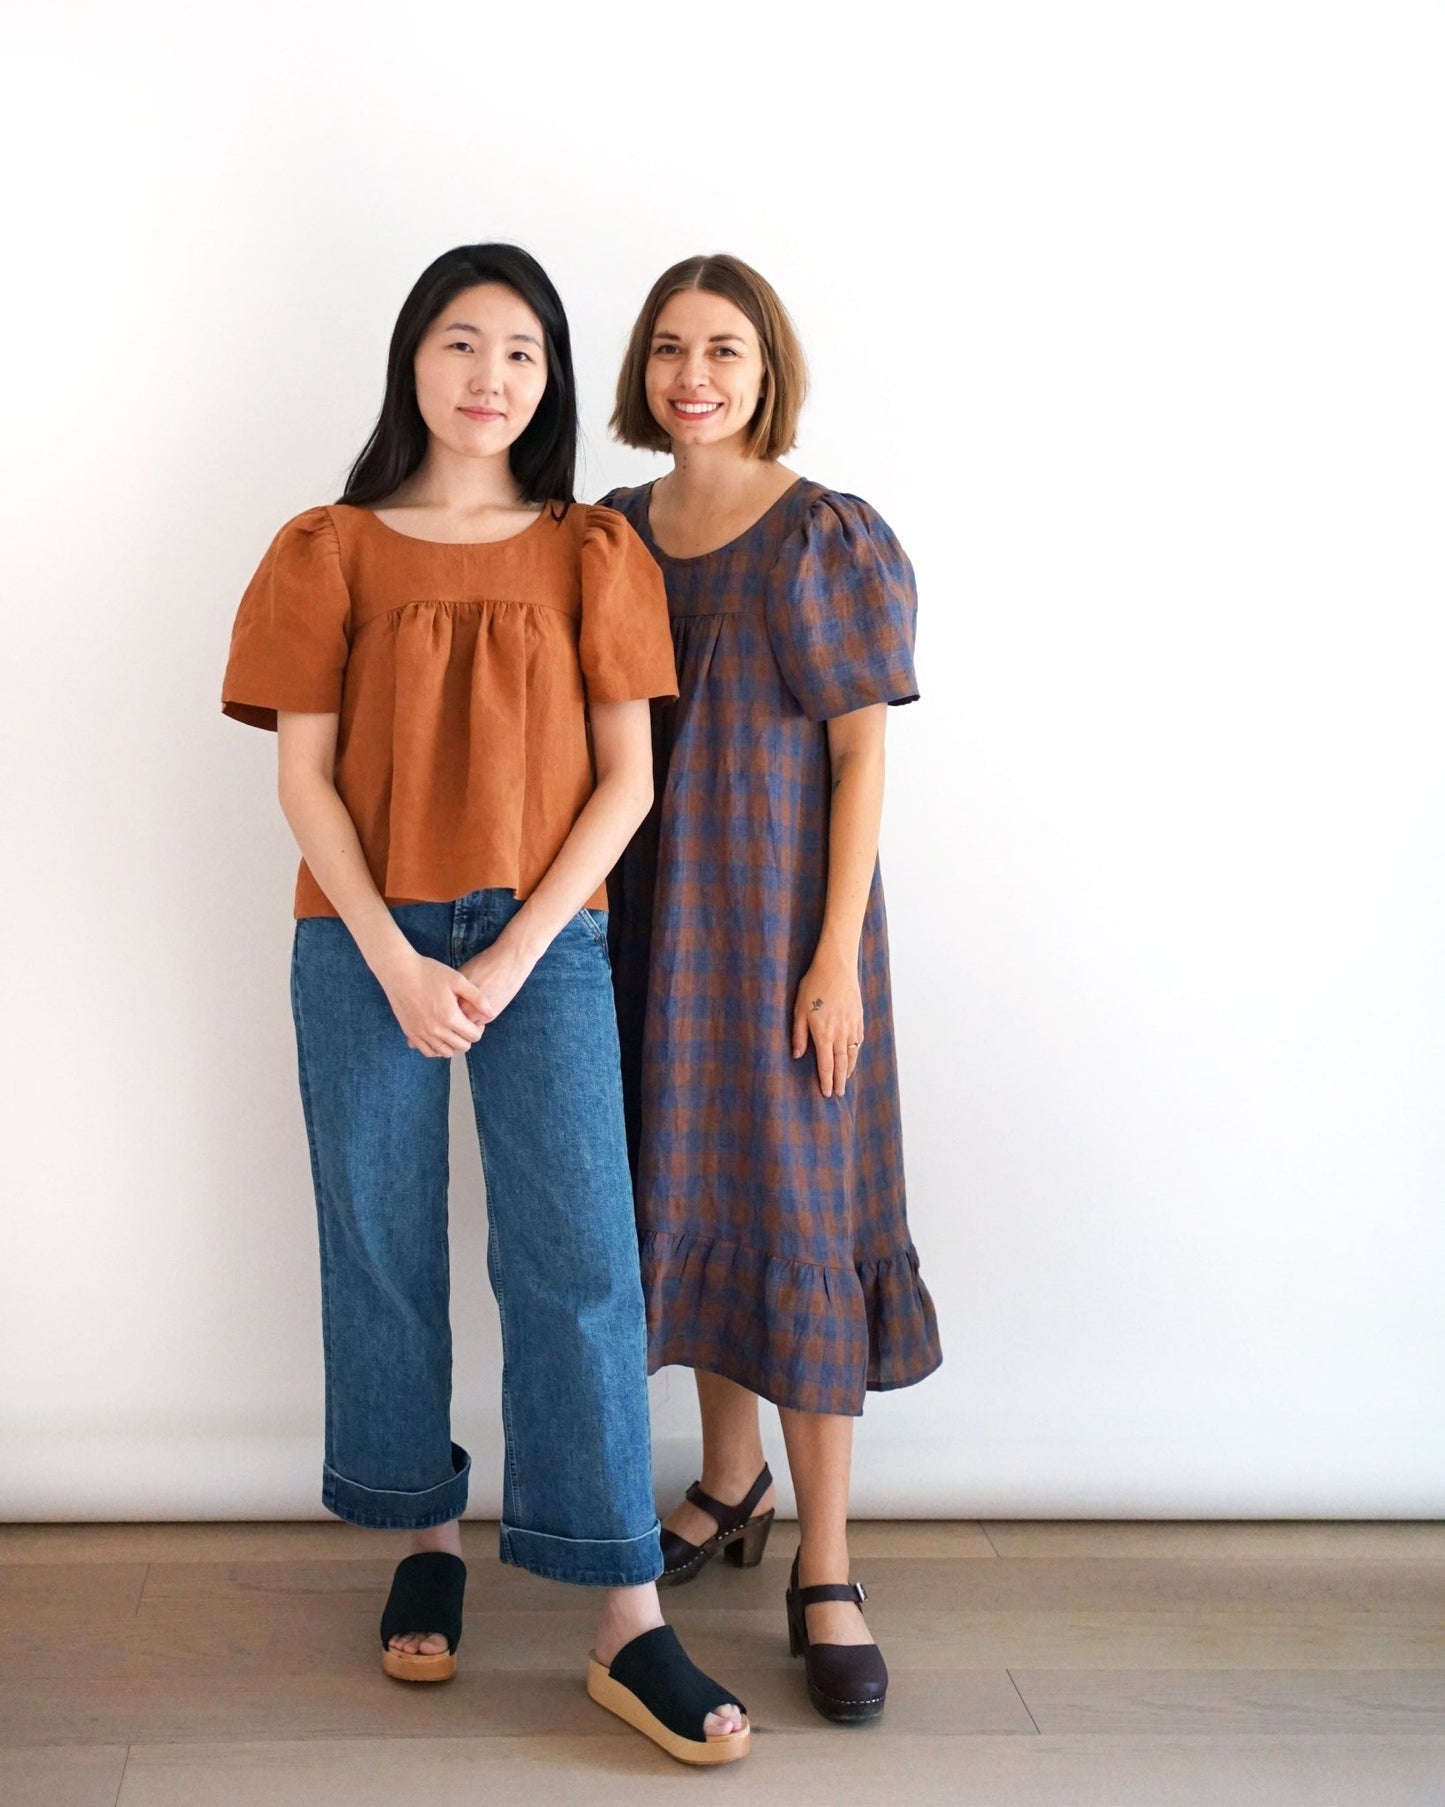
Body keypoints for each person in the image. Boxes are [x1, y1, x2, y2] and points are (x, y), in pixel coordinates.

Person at [221, 243, 749, 1765]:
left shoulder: (594, 550)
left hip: (546, 945)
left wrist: (513, 954)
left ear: (550, 381)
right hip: (361, 942)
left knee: (579, 1261)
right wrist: (396, 958)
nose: (489, 376)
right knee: (382, 1248)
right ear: (413, 360)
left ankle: (625, 1617)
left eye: (521, 352)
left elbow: (627, 779)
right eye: (461, 342)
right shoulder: (325, 547)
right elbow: (302, 779)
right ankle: (423, 1536)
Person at [602, 253, 942, 1724]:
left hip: (785, 930)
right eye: (670, 348)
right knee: (690, 1192)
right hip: (646, 924)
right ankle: (728, 1479)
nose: (695, 376)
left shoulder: (822, 534)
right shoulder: (612, 532)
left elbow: (862, 754)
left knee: (799, 1216)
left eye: (724, 349)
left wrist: (832, 955)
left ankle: (829, 1562)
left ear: (766, 368)